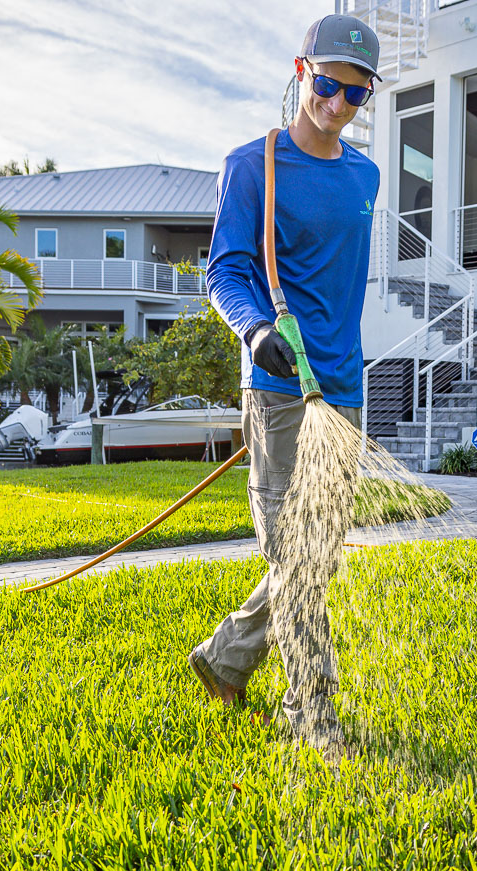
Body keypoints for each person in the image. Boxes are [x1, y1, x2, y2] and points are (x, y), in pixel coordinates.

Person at [188, 14, 382, 762]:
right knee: (298, 553)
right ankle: (311, 709)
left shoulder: (364, 175)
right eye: (327, 86)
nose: (336, 106)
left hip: (344, 389)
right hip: (278, 388)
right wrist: (255, 331)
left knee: (317, 554)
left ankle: (228, 656)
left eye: (354, 96)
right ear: (302, 72)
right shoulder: (252, 164)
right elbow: (224, 271)